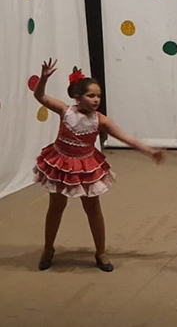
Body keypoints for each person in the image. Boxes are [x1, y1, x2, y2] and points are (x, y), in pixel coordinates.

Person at [33, 59, 165, 272]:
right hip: (61, 164)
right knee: (56, 208)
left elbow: (125, 137)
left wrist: (149, 151)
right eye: (91, 95)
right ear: (77, 97)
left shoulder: (101, 120)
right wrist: (44, 78)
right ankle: (48, 249)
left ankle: (101, 252)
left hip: (86, 167)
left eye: (98, 96)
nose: (96, 100)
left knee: (93, 209)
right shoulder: (65, 111)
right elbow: (40, 96)